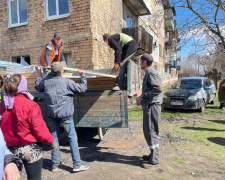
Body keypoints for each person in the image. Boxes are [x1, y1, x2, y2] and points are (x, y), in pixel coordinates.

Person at [0, 74, 58, 180]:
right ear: (23, 86)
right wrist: (51, 141)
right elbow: (40, 130)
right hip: (29, 149)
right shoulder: (31, 105)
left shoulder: (3, 105)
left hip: (8, 150)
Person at [35, 61, 90, 172]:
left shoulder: (46, 82)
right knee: (72, 138)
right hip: (66, 116)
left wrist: (39, 75)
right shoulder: (67, 82)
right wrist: (83, 76)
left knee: (54, 139)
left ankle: (55, 165)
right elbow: (82, 88)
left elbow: (37, 87)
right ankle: (77, 165)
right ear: (61, 71)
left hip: (51, 115)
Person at [136, 54, 162, 168]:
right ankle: (152, 154)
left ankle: (155, 158)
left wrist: (143, 96)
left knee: (151, 131)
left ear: (144, 62)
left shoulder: (150, 73)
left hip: (152, 106)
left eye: (140, 61)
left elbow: (157, 89)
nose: (139, 63)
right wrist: (141, 96)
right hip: (150, 105)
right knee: (148, 130)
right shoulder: (149, 72)